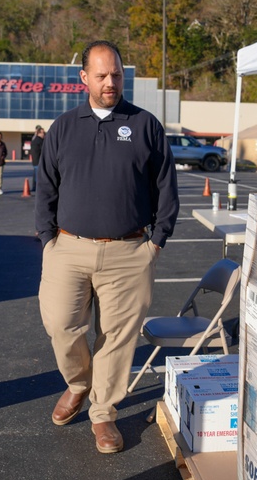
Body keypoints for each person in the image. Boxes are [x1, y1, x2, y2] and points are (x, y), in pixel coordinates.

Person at [36, 40, 179, 455]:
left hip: (130, 251)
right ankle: (79, 384)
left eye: (116, 74)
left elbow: (166, 187)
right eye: (101, 75)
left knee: (117, 337)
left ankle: (103, 413)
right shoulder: (64, 127)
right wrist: (48, 241)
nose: (110, 82)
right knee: (61, 324)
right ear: (84, 78)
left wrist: (155, 243)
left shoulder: (144, 124)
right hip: (69, 248)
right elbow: (45, 186)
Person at [30, 125, 45, 190]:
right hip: (38, 160)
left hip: (35, 160)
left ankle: (34, 187)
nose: (44, 134)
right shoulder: (39, 141)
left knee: (36, 174)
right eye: (43, 133)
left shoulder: (34, 139)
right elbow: (43, 150)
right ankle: (37, 187)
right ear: (39, 133)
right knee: (38, 175)